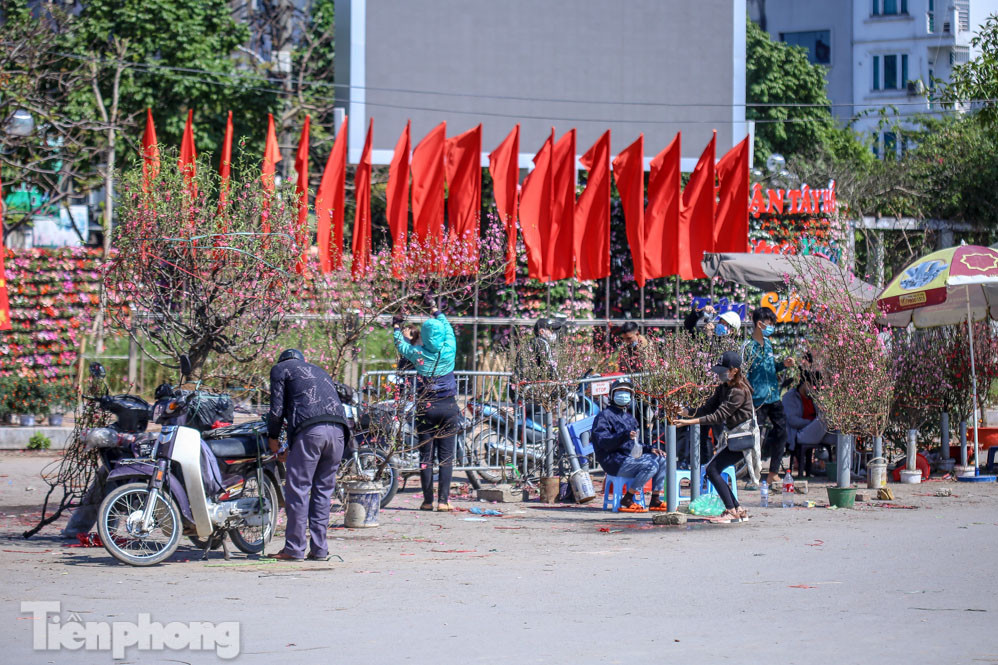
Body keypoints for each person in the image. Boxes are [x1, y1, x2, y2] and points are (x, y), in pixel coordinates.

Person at [268, 349, 350, 562]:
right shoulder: (319, 370)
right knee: (323, 491)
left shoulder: (280, 369)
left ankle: (294, 549)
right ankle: (320, 549)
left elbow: (277, 411)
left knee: (298, 490)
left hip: (311, 433)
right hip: (339, 433)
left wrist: (273, 438)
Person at [392, 300, 460, 512]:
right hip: (448, 407)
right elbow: (447, 327)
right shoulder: (449, 348)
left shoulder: (418, 353)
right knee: (446, 457)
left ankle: (427, 500)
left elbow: (400, 345)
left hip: (425, 407)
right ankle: (443, 501)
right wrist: (435, 310)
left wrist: (396, 327)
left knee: (426, 456)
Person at [675, 351, 755, 522]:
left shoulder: (739, 391)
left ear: (734, 371)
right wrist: (685, 412)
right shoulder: (724, 388)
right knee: (714, 470)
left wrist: (688, 422)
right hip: (735, 438)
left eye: (722, 371)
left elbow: (718, 416)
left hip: (743, 439)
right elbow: (707, 409)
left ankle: (731, 511)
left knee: (712, 470)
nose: (719, 374)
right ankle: (738, 509)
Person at [591, 379, 669, 512]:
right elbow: (604, 443)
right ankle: (628, 498)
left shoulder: (629, 418)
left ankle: (655, 499)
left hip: (629, 459)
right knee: (651, 465)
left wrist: (650, 449)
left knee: (661, 459)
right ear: (612, 395)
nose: (623, 395)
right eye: (620, 392)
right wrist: (624, 435)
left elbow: (634, 445)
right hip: (614, 461)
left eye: (627, 392)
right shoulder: (603, 417)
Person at [744, 307, 794, 488]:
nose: (772, 327)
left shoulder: (769, 344)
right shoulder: (748, 347)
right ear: (760, 323)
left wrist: (783, 365)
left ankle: (773, 473)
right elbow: (743, 374)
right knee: (754, 438)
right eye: (770, 323)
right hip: (757, 399)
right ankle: (753, 475)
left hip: (774, 396)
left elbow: (771, 368)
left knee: (782, 432)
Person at [782, 371, 837, 477]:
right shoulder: (790, 397)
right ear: (806, 383)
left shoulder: (813, 397)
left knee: (843, 431)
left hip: (816, 432)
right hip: (800, 433)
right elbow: (793, 421)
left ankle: (844, 470)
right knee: (825, 417)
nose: (814, 390)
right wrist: (812, 424)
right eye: (813, 386)